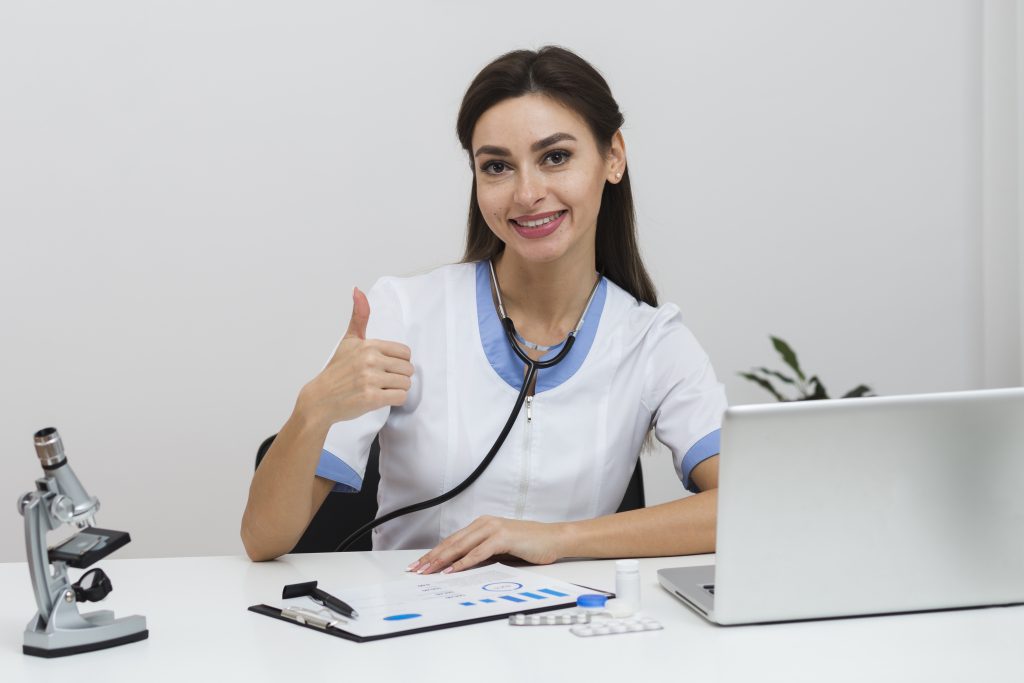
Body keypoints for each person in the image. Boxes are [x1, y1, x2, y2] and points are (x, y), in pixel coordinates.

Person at [241, 46, 727, 572]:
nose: (526, 192)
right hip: (413, 635)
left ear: (613, 158)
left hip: (571, 634)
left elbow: (745, 505)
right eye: (497, 166)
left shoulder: (653, 340)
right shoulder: (404, 312)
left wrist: (557, 538)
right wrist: (314, 408)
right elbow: (263, 539)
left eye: (555, 157)